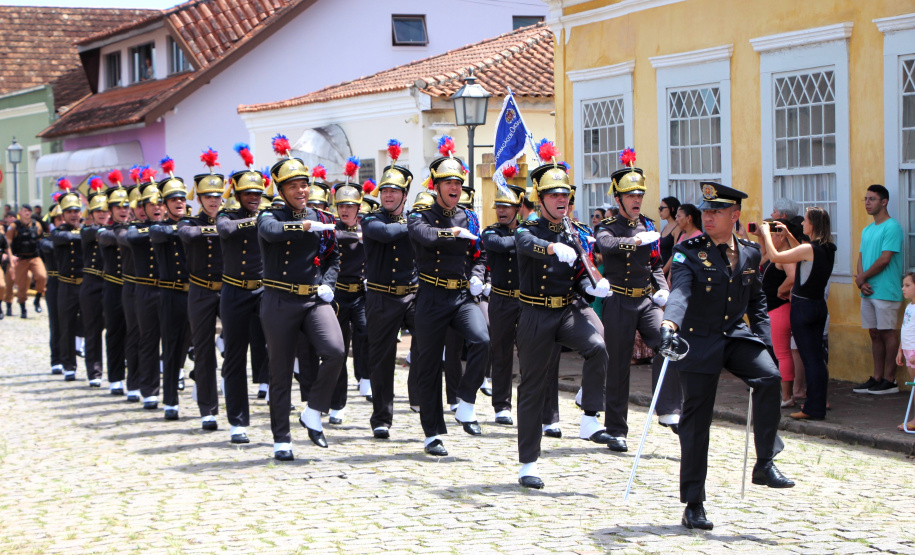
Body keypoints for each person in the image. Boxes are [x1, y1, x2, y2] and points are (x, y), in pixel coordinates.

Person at [660, 181, 794, 531]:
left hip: (734, 335)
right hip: (698, 338)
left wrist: (764, 342)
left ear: (735, 215)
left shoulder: (750, 252)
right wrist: (669, 324)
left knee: (770, 377)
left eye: (716, 211)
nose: (708, 217)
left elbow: (757, 301)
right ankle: (694, 504)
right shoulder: (688, 252)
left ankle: (764, 463)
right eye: (705, 211)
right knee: (696, 423)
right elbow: (680, 293)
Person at [513, 147, 611, 488]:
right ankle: (528, 463)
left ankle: (589, 412)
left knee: (597, 346)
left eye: (565, 195)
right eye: (554, 195)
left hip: (566, 309)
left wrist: (593, 285)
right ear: (540, 199)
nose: (561, 200)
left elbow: (583, 272)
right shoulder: (527, 228)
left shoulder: (576, 232)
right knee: (532, 387)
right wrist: (552, 248)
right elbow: (525, 244)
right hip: (535, 313)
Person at [259, 137, 343, 461]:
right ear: (281, 191)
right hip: (279, 300)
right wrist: (303, 226)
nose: (301, 191)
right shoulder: (269, 216)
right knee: (280, 372)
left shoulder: (323, 217)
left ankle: (313, 411)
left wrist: (329, 284)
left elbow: (333, 257)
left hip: (312, 299)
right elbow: (272, 233)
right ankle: (282, 438)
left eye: (304, 185)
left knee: (335, 351)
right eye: (293, 186)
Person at [407, 136, 490, 457]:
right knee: (429, 365)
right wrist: (450, 233)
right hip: (431, 296)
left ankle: (465, 401)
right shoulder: (420, 215)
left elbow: (480, 253)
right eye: (448, 183)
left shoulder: (469, 217)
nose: (454, 187)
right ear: (436, 186)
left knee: (482, 340)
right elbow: (424, 236)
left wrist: (478, 276)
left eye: (458, 182)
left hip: (460, 296)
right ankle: (432, 434)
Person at [594, 151, 679, 452]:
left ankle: (668, 409)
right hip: (618, 301)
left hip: (645, 301)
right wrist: (634, 242)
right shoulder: (608, 226)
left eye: (640, 195)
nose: (637, 200)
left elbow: (655, 263)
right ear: (618, 199)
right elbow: (605, 245)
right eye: (631, 195)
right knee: (618, 367)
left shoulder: (649, 224)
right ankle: (616, 430)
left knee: (668, 344)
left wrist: (662, 289)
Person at [363, 142, 419, 439]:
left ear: (404, 195)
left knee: (429, 343)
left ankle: (419, 397)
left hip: (412, 296)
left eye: (394, 191)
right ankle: (381, 418)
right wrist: (415, 224)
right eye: (384, 190)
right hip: (381, 296)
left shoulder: (416, 219)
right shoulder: (371, 218)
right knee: (381, 359)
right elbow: (385, 234)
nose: (387, 195)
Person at [757, 208, 835, 421]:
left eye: (806, 221)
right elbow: (801, 251)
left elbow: (776, 256)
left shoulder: (810, 249)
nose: (802, 224)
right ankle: (817, 403)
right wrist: (788, 235)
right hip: (818, 306)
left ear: (814, 225)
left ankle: (813, 407)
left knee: (810, 360)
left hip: (803, 307)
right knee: (816, 358)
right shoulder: (827, 247)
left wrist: (766, 234)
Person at [218, 155, 270, 444]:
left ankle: (277, 402)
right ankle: (237, 422)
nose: (254, 198)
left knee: (278, 347)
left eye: (258, 193)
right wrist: (255, 221)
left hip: (264, 291)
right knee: (235, 357)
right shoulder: (227, 215)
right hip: (234, 292)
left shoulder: (269, 215)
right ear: (237, 195)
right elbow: (225, 230)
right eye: (248, 193)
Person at [178, 164, 225, 431]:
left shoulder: (229, 219)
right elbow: (187, 234)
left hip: (228, 290)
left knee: (235, 346)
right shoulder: (189, 222)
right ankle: (207, 409)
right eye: (208, 196)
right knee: (203, 350)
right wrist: (222, 229)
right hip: (200, 291)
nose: (213, 201)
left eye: (217, 196)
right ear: (198, 198)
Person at [481, 178, 527, 426]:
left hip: (526, 301)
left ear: (517, 208)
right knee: (501, 354)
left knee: (530, 353)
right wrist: (525, 239)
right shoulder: (491, 232)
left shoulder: (527, 231)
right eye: (498, 206)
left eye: (506, 207)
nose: (501, 211)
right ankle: (502, 405)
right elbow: (497, 245)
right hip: (501, 299)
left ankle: (529, 405)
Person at [854, 184, 904, 395]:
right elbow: (861, 257)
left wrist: (863, 277)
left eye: (872, 199)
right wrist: (861, 280)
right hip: (868, 290)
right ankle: (877, 378)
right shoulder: (867, 230)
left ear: (884, 202)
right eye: (866, 199)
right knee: (874, 333)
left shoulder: (892, 227)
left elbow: (885, 259)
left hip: (886, 290)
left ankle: (890, 379)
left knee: (888, 332)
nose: (867, 203)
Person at [150, 163, 190, 420]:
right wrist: (187, 229)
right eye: (173, 200)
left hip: (195, 294)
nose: (179, 203)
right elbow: (160, 233)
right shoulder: (159, 228)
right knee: (172, 348)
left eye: (182, 199)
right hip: (170, 295)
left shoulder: (193, 224)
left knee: (200, 346)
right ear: (164, 204)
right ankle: (170, 400)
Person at [126, 177, 166, 410]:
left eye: (160, 203)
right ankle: (148, 389)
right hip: (145, 290)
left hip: (170, 290)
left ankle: (174, 380)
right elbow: (132, 237)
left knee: (175, 339)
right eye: (152, 204)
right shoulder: (136, 229)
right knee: (148, 340)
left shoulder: (174, 225)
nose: (157, 208)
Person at [756, 218, 800, 407]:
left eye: (772, 234)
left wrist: (781, 289)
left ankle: (786, 396)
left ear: (781, 236)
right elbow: (762, 258)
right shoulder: (775, 255)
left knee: (782, 353)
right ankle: (781, 392)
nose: (769, 237)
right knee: (776, 352)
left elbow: (793, 276)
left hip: (779, 308)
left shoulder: (785, 255)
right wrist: (761, 236)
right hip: (772, 308)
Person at [97, 176, 131, 395]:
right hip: (113, 287)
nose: (123, 210)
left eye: (126, 206)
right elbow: (113, 237)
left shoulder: (136, 228)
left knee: (136, 334)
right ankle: (116, 378)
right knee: (115, 332)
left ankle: (135, 379)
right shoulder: (105, 232)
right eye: (118, 207)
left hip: (133, 287)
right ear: (110, 210)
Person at [78, 178, 111, 388]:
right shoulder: (87, 231)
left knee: (116, 328)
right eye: (98, 210)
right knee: (93, 329)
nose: (102, 214)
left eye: (105, 210)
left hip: (111, 283)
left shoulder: (115, 229)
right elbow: (99, 234)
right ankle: (94, 371)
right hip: (91, 283)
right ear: (91, 213)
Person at [50, 181, 85, 383]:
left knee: (92, 321)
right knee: (66, 326)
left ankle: (82, 348)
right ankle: (68, 365)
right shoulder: (58, 232)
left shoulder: (86, 230)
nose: (73, 215)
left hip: (85, 285)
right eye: (69, 211)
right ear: (63, 215)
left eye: (76, 211)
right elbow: (61, 238)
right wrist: (82, 235)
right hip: (66, 285)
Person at [6, 204, 48, 318]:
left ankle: (37, 299)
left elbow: (41, 239)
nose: (27, 213)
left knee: (42, 276)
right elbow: (7, 243)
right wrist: (11, 256)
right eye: (25, 211)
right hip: (20, 259)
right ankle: (23, 308)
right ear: (20, 213)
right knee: (22, 286)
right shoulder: (14, 226)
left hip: (34, 256)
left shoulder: (36, 224)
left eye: (29, 211)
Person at [896, 272, 915, 431]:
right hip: (908, 351)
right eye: (903, 285)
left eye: (908, 285)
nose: (903, 288)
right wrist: (900, 350)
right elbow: (905, 328)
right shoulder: (909, 307)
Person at [658, 196, 682, 268]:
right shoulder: (665, 226)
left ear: (672, 208)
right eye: (659, 209)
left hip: (669, 270)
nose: (659, 211)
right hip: (660, 267)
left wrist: (664, 271)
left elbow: (675, 253)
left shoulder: (678, 228)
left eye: (661, 208)